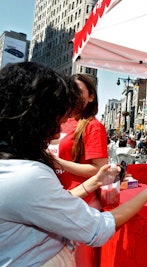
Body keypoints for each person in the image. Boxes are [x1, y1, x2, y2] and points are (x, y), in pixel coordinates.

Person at [0, 62, 147, 266]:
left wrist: (94, 181)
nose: (59, 128)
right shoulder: (28, 176)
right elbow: (99, 228)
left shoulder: (22, 168)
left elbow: (49, 200)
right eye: (56, 115)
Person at [51, 73, 108, 266]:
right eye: (71, 90)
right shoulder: (60, 122)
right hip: (55, 202)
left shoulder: (93, 126)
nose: (74, 94)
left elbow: (98, 170)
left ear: (91, 96)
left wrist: (58, 162)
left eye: (80, 91)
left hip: (81, 207)